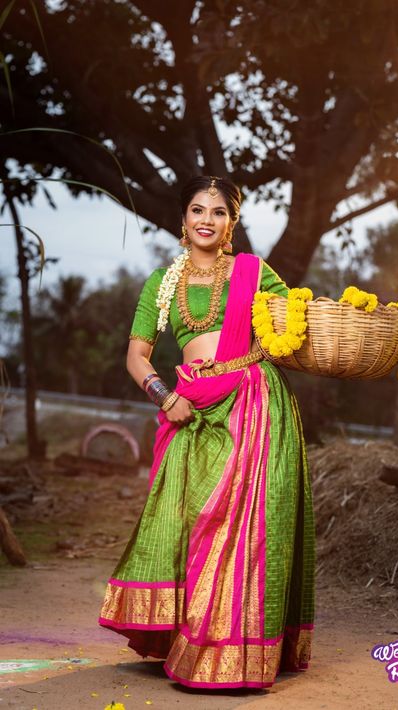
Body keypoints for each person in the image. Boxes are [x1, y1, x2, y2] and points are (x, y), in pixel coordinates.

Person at [98, 175, 316, 689]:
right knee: (191, 519)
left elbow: (295, 327)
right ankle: (190, 631)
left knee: (242, 529)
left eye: (218, 212)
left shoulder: (254, 273)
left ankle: (231, 652)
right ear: (182, 217)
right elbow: (137, 355)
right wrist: (164, 396)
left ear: (231, 223)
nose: (206, 220)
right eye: (198, 209)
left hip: (255, 403)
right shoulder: (161, 282)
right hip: (189, 406)